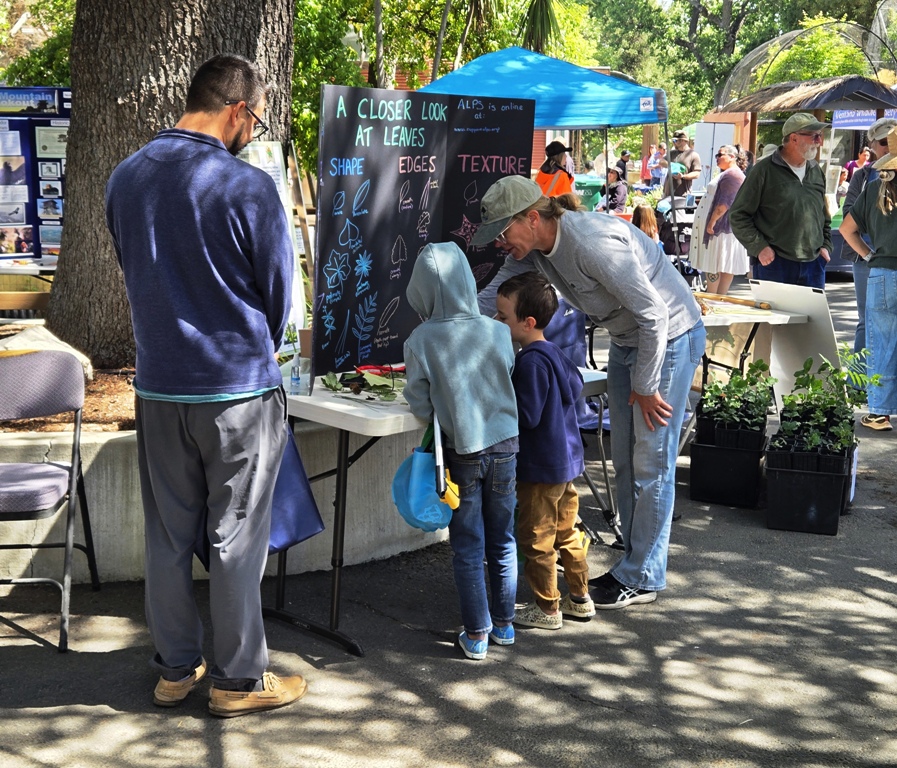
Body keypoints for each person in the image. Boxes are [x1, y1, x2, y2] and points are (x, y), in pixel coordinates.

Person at [105, 54, 306, 717]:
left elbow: (134, 271)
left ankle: (173, 669)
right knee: (235, 539)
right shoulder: (245, 187)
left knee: (166, 536)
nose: (256, 130)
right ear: (238, 111)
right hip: (236, 390)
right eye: (258, 118)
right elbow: (278, 298)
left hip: (160, 385)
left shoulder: (125, 178)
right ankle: (237, 680)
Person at [472, 175, 705, 610]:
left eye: (504, 231)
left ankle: (643, 576)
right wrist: (448, 325)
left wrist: (646, 386)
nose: (500, 243)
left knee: (651, 462)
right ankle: (633, 565)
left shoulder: (591, 242)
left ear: (533, 218)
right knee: (625, 461)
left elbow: (654, 313)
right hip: (626, 340)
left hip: (669, 337)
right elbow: (489, 299)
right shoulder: (536, 251)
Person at [403, 242, 519, 659]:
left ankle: (477, 633)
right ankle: (505, 625)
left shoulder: (421, 339)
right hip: (507, 445)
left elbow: (419, 402)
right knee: (503, 538)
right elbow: (506, 373)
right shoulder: (499, 330)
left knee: (468, 544)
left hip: (463, 451)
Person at [493, 272, 594, 629]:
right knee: (568, 531)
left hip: (539, 467)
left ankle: (548, 608)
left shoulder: (530, 362)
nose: (496, 322)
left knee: (536, 537)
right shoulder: (554, 353)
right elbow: (576, 386)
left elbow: (527, 415)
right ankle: (579, 597)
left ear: (527, 322)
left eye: (503, 317)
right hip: (566, 463)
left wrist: (497, 396)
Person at [729, 113, 832, 290]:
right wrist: (760, 248)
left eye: (820, 136)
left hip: (814, 264)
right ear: (793, 138)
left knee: (812, 319)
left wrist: (826, 247)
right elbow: (738, 215)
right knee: (776, 318)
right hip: (775, 264)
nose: (819, 142)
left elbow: (823, 216)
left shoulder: (816, 170)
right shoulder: (764, 170)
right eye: (814, 136)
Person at [839, 126, 897, 432]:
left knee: (882, 343)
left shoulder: (874, 189)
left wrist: (868, 255)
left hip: (883, 272)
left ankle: (879, 414)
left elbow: (847, 230)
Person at [689, 145, 750, 295]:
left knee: (715, 262)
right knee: (721, 262)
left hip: (721, 228)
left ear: (732, 157)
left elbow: (725, 203)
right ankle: (718, 296)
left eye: (720, 154)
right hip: (723, 229)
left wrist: (712, 221)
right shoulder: (729, 173)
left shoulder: (733, 175)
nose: (717, 157)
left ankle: (714, 296)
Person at [663, 131, 701, 197]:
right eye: (673, 141)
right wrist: (671, 165)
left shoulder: (693, 155)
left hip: (683, 195)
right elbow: (661, 162)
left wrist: (683, 176)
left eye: (675, 141)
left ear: (683, 141)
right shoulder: (671, 153)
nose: (673, 143)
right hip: (667, 194)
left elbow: (696, 174)